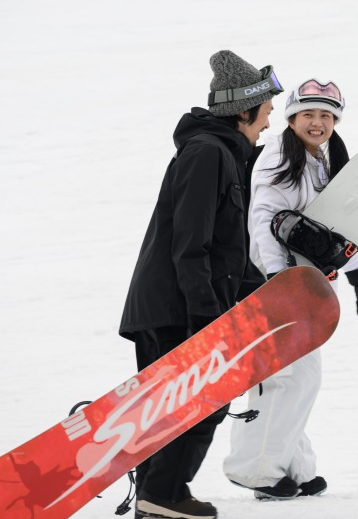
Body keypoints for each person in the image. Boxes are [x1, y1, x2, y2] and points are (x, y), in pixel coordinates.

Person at [119, 50, 284, 519]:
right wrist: (205, 316)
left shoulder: (224, 155)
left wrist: (267, 294)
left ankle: (157, 497)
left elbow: (229, 252)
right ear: (243, 111)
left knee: (178, 405)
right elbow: (192, 244)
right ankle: (163, 493)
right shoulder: (207, 154)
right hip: (176, 307)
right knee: (198, 401)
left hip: (181, 304)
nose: (268, 122)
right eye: (266, 111)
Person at [222, 79, 358, 500]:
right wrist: (280, 282)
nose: (317, 122)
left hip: (300, 284)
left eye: (326, 115)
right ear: (292, 118)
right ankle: (257, 471)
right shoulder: (280, 154)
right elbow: (264, 220)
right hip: (273, 283)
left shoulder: (319, 160)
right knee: (287, 377)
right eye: (308, 114)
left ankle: (292, 468)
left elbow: (329, 229)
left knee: (296, 377)